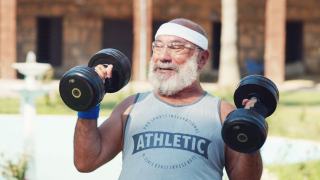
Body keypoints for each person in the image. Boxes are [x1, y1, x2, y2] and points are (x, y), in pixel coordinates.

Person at [73, 18, 263, 180]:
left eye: (176, 47)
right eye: (158, 46)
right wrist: (90, 100)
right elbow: (86, 161)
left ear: (202, 59)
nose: (163, 56)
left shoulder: (223, 113)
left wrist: (250, 130)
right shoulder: (130, 106)